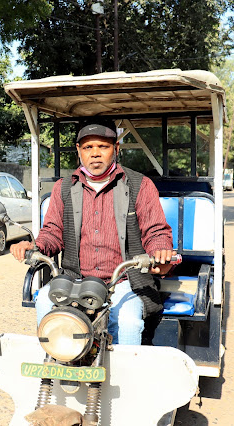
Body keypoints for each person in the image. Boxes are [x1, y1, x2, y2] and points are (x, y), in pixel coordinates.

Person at [10, 122, 176, 345]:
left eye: (103, 146)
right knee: (44, 304)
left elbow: (156, 231)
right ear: (79, 150)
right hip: (74, 279)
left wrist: (160, 251)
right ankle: (53, 363)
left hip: (124, 280)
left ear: (116, 148)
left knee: (128, 322)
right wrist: (35, 246)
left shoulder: (140, 185)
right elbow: (52, 232)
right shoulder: (63, 188)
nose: (95, 153)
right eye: (88, 147)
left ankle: (124, 369)